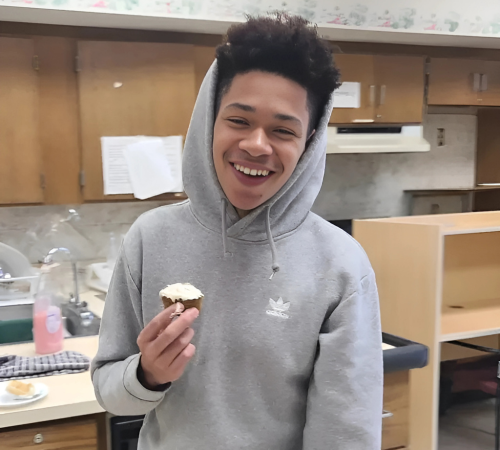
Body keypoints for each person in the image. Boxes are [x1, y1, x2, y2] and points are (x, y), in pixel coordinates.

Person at [92, 13, 383, 450]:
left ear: (308, 144)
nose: (257, 145)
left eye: (283, 130)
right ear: (210, 120)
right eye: (239, 120)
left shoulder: (340, 265)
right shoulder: (150, 238)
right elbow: (109, 390)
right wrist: (147, 374)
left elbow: (345, 434)